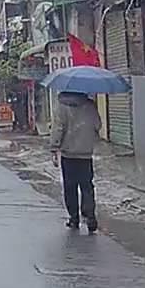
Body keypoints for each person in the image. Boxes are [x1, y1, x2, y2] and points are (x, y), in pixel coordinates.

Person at [50, 91, 101, 232]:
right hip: (86, 154)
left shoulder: (61, 106)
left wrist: (54, 148)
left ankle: (74, 218)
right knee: (87, 186)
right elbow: (97, 125)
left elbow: (58, 129)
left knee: (70, 187)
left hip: (68, 155)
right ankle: (90, 216)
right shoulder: (90, 105)